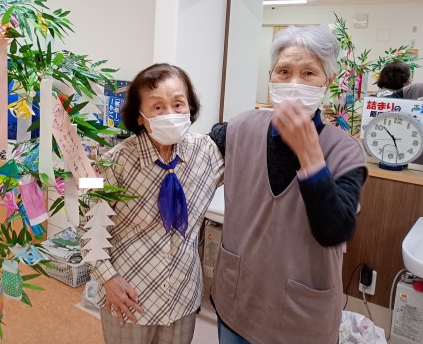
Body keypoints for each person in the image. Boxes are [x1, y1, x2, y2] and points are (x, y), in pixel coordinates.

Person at [209, 26, 368, 344]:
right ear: (271, 77)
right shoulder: (239, 128)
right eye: (283, 71)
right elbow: (189, 159)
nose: (294, 83)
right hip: (237, 299)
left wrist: (310, 156)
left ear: (327, 81)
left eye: (308, 73)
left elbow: (335, 230)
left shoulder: (345, 151)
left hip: (300, 318)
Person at [82, 63, 224, 344]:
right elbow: (87, 227)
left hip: (182, 295)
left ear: (190, 107)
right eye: (158, 107)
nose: (170, 113)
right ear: (140, 116)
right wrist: (107, 279)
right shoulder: (114, 162)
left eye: (178, 104)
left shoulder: (206, 153)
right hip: (129, 296)